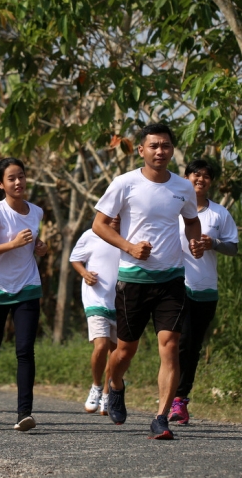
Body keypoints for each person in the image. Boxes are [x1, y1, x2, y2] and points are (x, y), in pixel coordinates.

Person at [92, 123, 205, 440]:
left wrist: (194, 242)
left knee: (170, 348)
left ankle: (161, 418)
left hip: (171, 278)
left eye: (166, 145)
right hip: (132, 280)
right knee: (125, 351)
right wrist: (128, 247)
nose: (160, 151)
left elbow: (192, 222)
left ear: (172, 150)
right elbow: (99, 225)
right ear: (140, 150)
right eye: (153, 145)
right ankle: (115, 383)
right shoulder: (124, 184)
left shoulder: (183, 187)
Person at [0, 158, 48, 431]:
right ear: (1, 184)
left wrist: (40, 247)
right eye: (11, 178)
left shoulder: (36, 211)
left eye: (22, 177)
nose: (18, 182)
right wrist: (12, 243)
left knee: (25, 350)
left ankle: (24, 412)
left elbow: (35, 243)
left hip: (27, 286)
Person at [169, 160, 239, 425]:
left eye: (206, 176)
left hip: (206, 288)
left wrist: (214, 243)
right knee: (179, 342)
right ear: (185, 178)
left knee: (193, 346)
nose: (200, 179)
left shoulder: (219, 214)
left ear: (212, 182)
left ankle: (181, 400)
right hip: (175, 285)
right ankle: (173, 396)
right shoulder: (172, 209)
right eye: (195, 175)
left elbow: (233, 247)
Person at [69, 216, 121, 415]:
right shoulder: (91, 234)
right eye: (112, 213)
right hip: (96, 301)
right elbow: (75, 258)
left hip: (120, 303)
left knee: (116, 353)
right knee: (101, 345)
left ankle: (107, 394)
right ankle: (96, 386)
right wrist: (84, 273)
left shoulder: (128, 235)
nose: (116, 217)